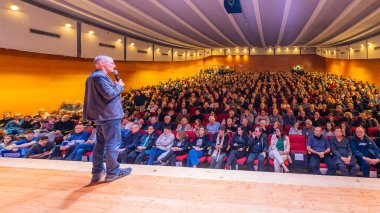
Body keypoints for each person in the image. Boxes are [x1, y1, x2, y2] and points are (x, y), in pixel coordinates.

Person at [83, 55, 132, 183]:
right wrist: (119, 86)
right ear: (103, 63)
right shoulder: (99, 76)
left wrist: (115, 87)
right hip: (109, 116)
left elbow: (104, 95)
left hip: (102, 116)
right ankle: (112, 172)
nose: (114, 65)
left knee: (100, 144)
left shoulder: (92, 77)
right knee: (113, 144)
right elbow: (109, 94)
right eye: (112, 63)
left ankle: (97, 172)